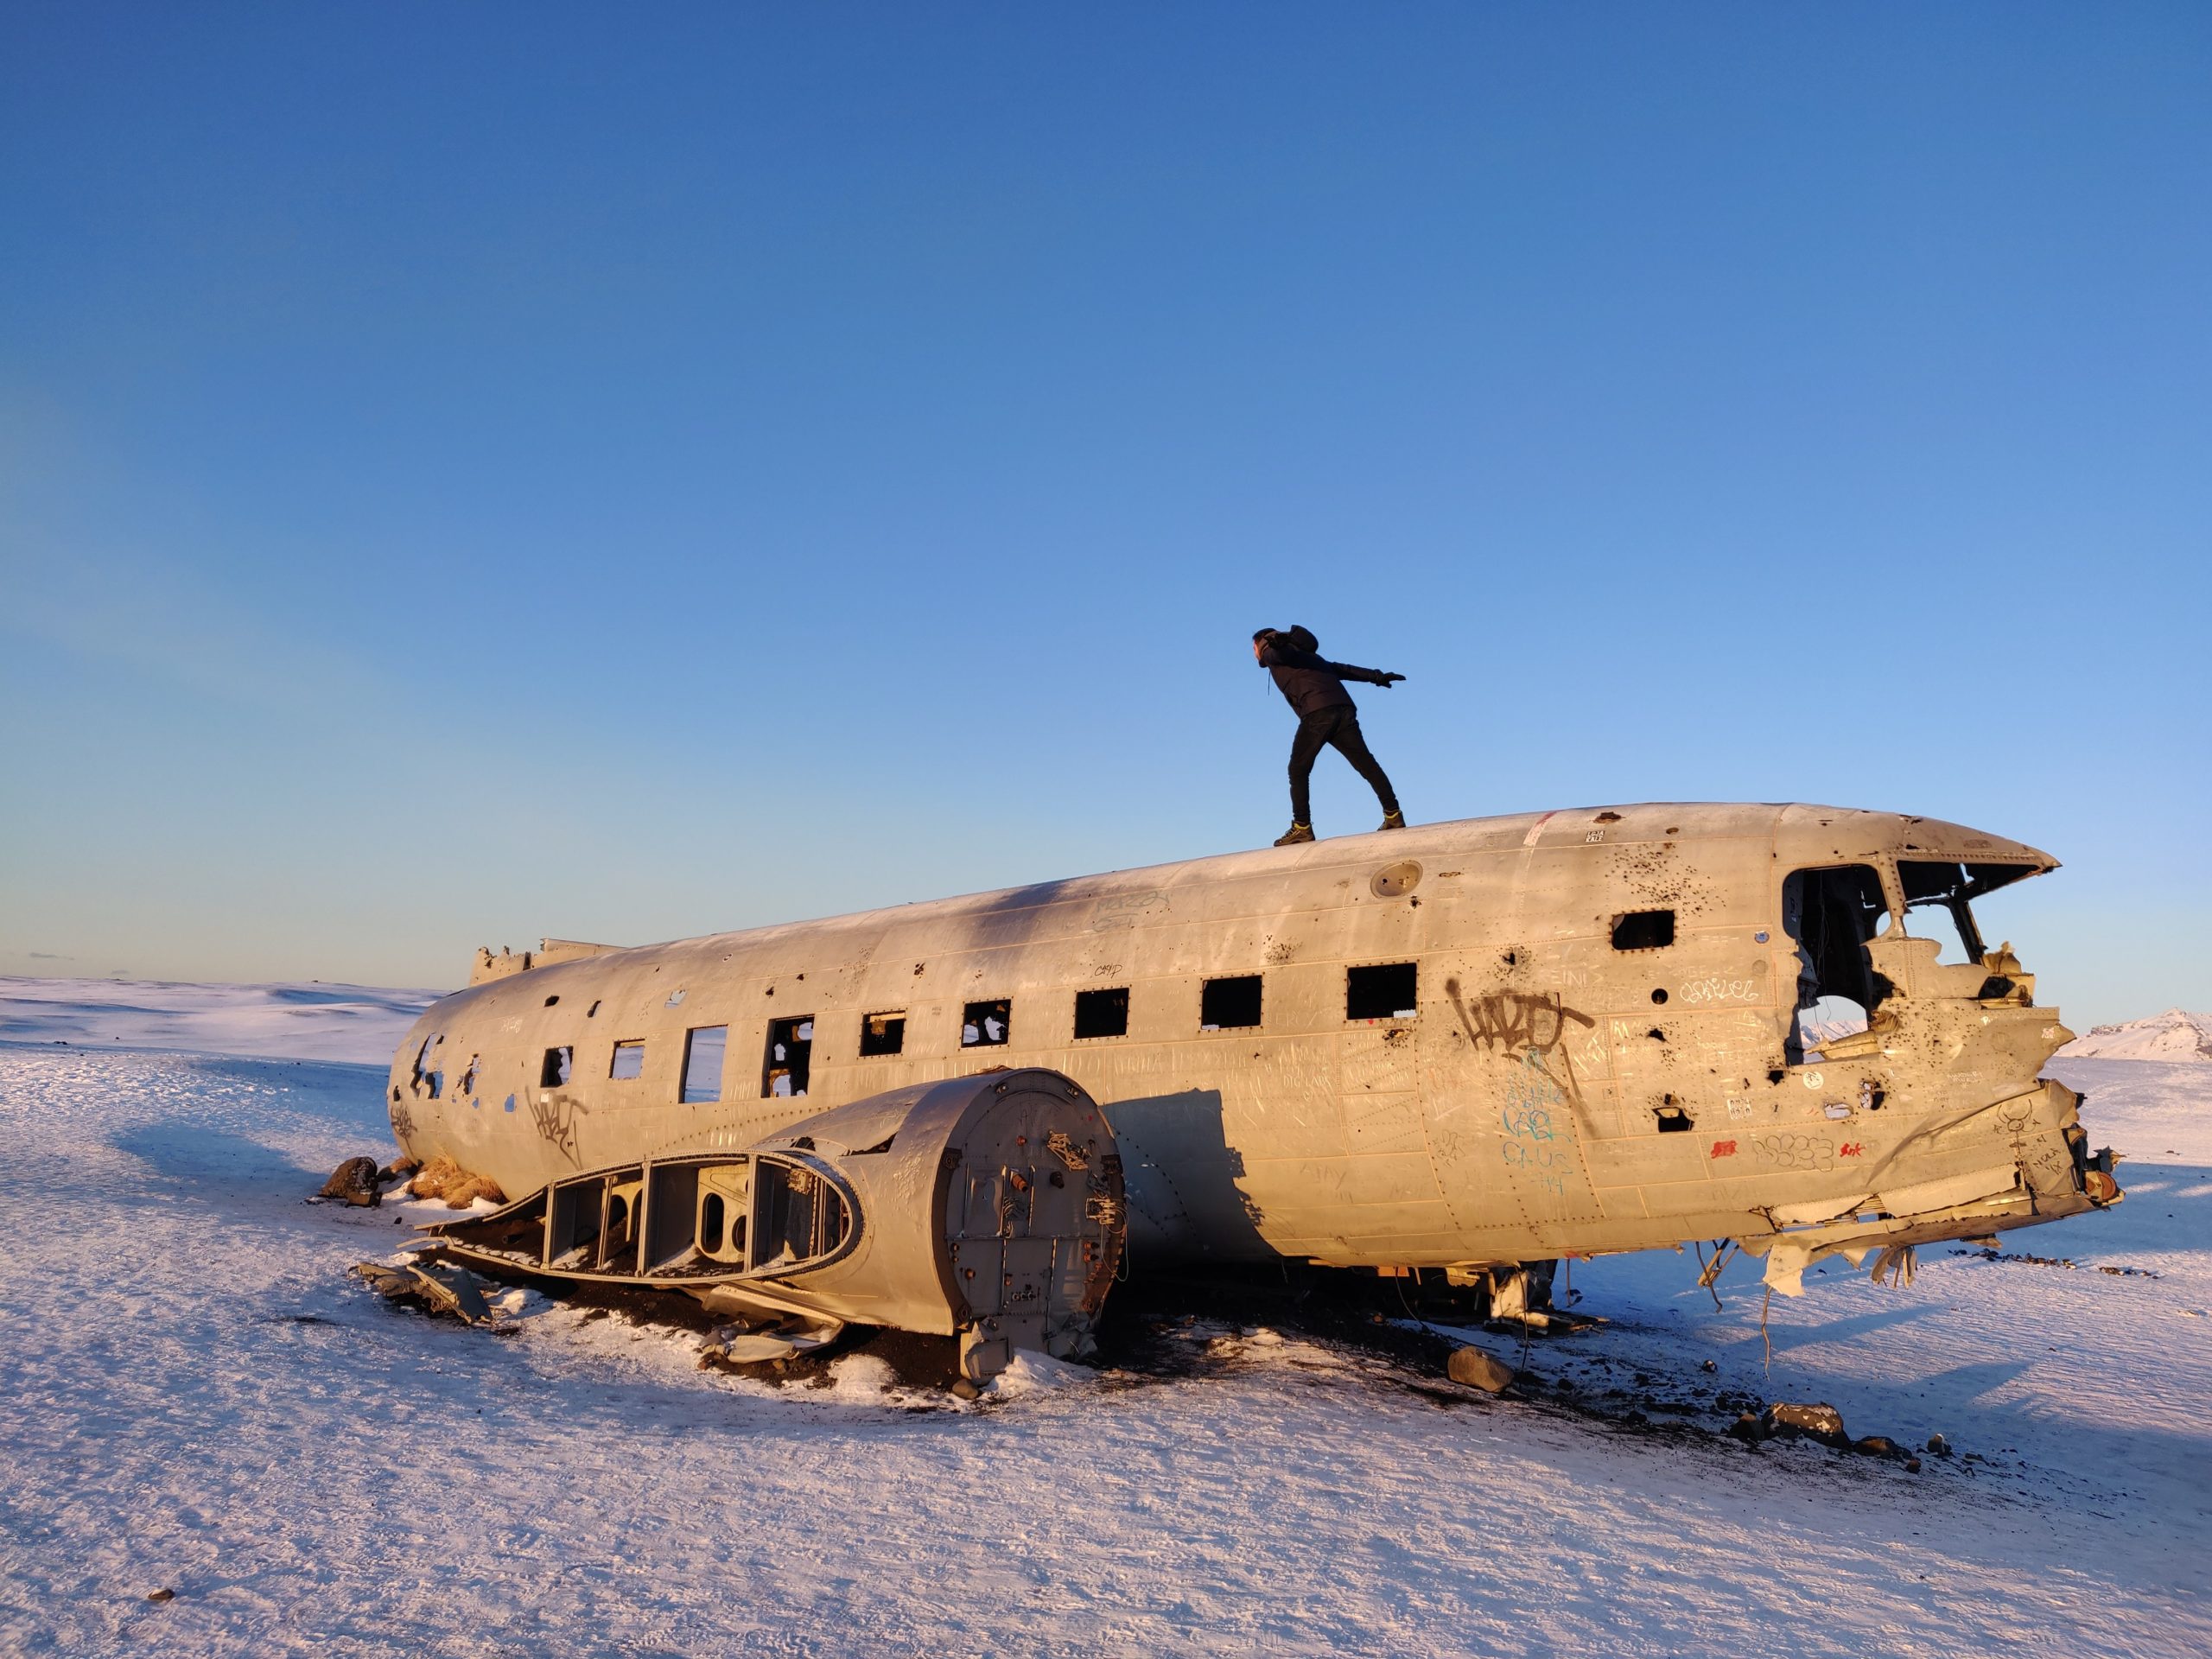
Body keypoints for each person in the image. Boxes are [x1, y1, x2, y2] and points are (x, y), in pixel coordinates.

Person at [1251, 626, 1407, 845]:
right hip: (1343, 708)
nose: (1255, 653)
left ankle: (1302, 827)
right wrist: (1377, 676)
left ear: (1259, 643)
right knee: (1366, 763)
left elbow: (1279, 654)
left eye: (1253, 648)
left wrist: (1276, 645)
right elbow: (1341, 669)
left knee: (1297, 769)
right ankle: (1393, 815)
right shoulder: (1309, 657)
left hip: (1318, 712)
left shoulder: (1271, 650)